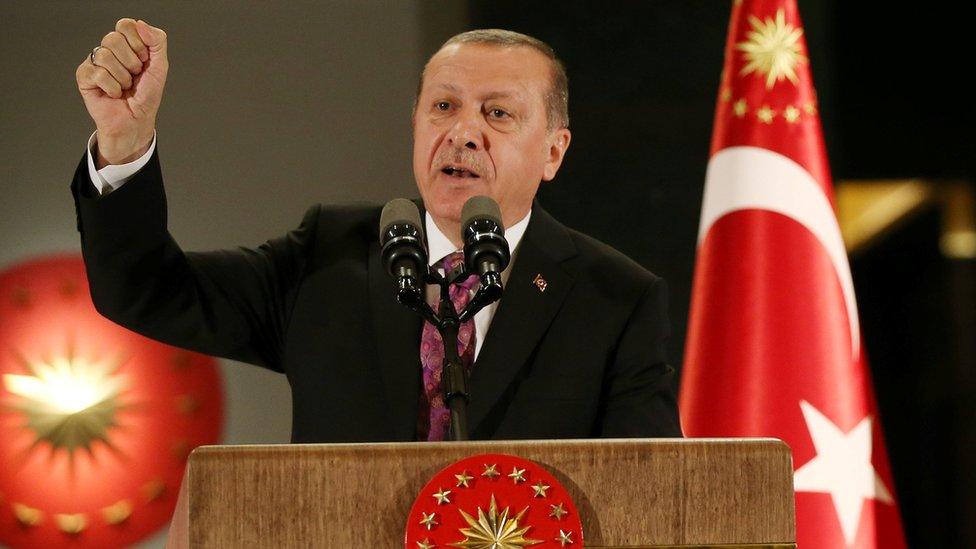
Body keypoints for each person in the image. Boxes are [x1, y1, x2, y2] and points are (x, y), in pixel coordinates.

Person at [72, 18, 682, 442]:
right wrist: (123, 142)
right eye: (443, 106)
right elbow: (145, 290)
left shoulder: (615, 300)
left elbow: (645, 493)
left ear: (554, 152)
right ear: (416, 122)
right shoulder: (329, 257)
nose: (463, 132)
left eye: (498, 113)